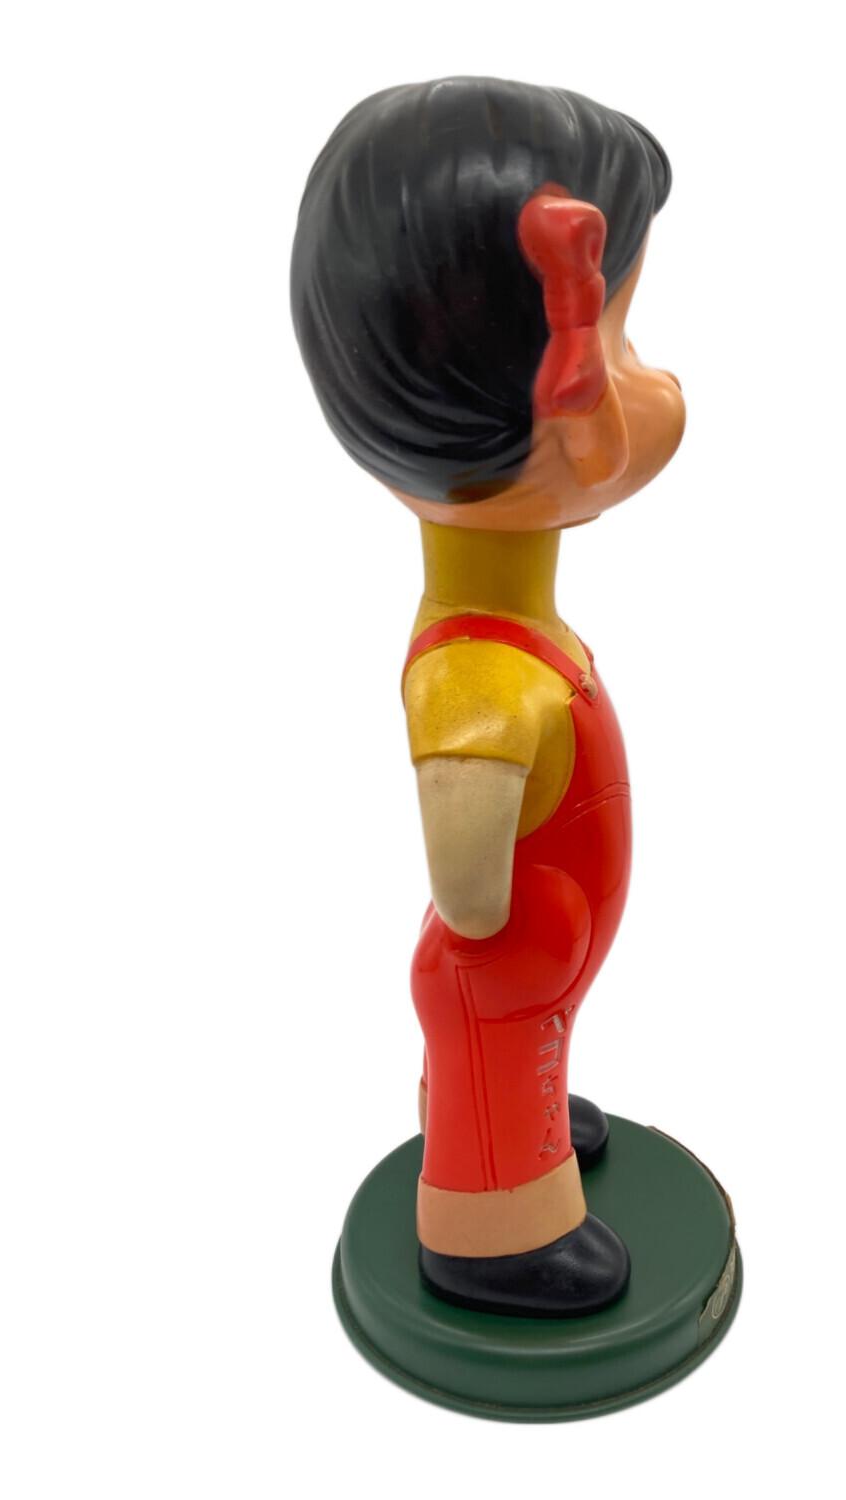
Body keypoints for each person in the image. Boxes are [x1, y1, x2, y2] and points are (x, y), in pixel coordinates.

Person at [291, 77, 683, 1316]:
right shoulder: (480, 681)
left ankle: (519, 1114)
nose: (652, 375)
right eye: (625, 343)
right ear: (568, 415)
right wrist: (539, 943)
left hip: (533, 975)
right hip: (510, 974)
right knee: (496, 1073)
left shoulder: (503, 636)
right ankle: (494, 1229)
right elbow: (469, 891)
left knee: (513, 1056)